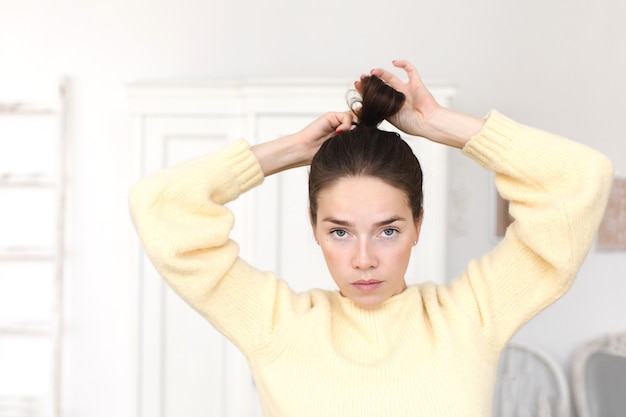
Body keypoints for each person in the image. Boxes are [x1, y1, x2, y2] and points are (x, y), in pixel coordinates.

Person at [129, 60, 614, 417]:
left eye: (388, 230)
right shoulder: (274, 325)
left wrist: (439, 125)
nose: (364, 259)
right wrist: (288, 151)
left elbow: (581, 180)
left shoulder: (472, 316)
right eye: (340, 231)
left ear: (418, 225)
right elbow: (160, 206)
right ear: (314, 227)